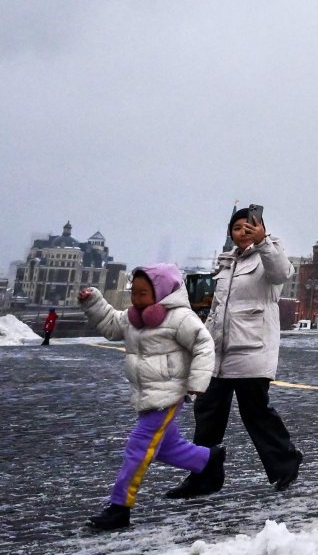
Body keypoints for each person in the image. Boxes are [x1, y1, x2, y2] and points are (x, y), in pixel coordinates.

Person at [167, 207, 301, 498]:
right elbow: (217, 311)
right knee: (207, 414)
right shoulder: (227, 263)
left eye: (249, 226)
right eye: (237, 227)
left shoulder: (270, 254)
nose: (243, 231)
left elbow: (280, 272)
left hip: (252, 350)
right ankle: (204, 477)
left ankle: (285, 462)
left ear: (261, 228)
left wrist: (264, 242)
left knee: (255, 413)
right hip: (219, 354)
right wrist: (203, 344)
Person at [79, 265, 224, 531]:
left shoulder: (180, 318)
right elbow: (111, 325)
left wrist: (197, 383)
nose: (136, 299)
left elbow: (204, 344)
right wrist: (93, 302)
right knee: (167, 447)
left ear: (160, 293)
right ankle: (208, 460)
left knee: (138, 447)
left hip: (168, 396)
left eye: (143, 293)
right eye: (134, 292)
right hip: (146, 396)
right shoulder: (134, 318)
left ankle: (119, 507)